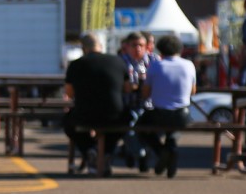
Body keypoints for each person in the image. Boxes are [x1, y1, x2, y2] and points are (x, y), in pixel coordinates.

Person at [63, 33, 129, 176]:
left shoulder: (76, 65)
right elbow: (127, 88)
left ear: (83, 48)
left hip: (84, 114)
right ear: (101, 46)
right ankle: (107, 152)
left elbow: (69, 93)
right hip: (115, 115)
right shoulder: (118, 62)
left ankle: (89, 150)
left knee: (68, 123)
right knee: (127, 122)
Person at [139, 34, 197, 178]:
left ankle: (162, 152)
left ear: (161, 50)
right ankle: (170, 148)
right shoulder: (189, 65)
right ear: (180, 49)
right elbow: (193, 91)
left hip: (159, 114)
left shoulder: (155, 65)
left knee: (140, 127)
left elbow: (145, 93)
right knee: (174, 128)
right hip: (182, 115)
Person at [119, 31, 150, 171]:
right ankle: (140, 154)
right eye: (134, 45)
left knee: (150, 130)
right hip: (128, 104)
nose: (138, 48)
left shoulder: (153, 60)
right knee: (128, 128)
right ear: (127, 46)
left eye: (141, 45)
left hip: (149, 105)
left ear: (146, 46)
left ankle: (133, 152)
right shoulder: (121, 61)